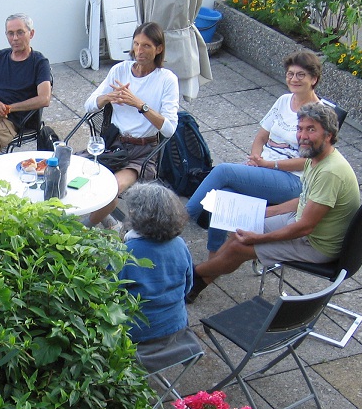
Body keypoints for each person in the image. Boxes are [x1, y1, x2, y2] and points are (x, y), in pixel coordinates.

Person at [189, 102, 360, 302]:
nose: (302, 136)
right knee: (241, 230)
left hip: (316, 244)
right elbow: (303, 201)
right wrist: (265, 213)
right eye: (300, 129)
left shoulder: (330, 173)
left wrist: (257, 238)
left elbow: (305, 227)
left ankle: (190, 275)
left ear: (328, 135)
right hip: (302, 224)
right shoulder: (315, 159)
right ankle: (195, 284)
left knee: (239, 248)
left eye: (311, 130)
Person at [186, 50, 323, 254]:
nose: (294, 79)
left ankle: (183, 217)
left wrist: (270, 164)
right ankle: (214, 256)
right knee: (223, 196)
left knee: (223, 171)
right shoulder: (284, 101)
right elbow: (261, 137)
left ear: (314, 79)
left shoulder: (318, 114)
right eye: (290, 74)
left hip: (292, 180)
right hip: (264, 169)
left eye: (300, 75)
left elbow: (309, 162)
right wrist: (255, 158)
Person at [83, 22, 179, 227]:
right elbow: (89, 105)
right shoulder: (120, 70)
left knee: (112, 189)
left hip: (143, 152)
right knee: (74, 175)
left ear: (159, 49)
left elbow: (170, 129)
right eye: (136, 44)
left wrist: (139, 104)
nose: (139, 51)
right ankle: (107, 219)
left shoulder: (167, 79)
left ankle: (81, 228)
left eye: (146, 46)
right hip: (113, 145)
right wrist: (108, 97)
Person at [118, 183, 193, 357]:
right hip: (176, 329)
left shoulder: (126, 253)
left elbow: (108, 297)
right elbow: (188, 287)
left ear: (137, 215)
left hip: (137, 335)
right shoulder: (180, 245)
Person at [0, 13, 53, 163]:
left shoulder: (39, 62)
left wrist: (9, 108)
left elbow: (44, 99)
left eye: (20, 32)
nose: (15, 38)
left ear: (31, 33)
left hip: (11, 119)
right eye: (10, 33)